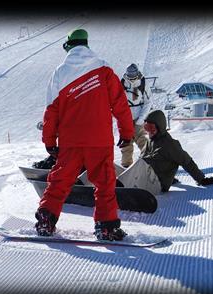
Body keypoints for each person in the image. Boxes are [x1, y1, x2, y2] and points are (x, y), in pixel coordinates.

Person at [35, 28, 135, 241]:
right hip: (99, 140)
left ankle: (46, 220)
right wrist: (127, 133)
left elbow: (51, 110)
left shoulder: (60, 73)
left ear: (69, 46)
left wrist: (49, 140)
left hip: (71, 140)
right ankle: (106, 227)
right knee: (105, 183)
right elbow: (120, 104)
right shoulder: (104, 68)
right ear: (86, 44)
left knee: (60, 181)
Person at [117, 110, 213, 193]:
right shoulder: (151, 141)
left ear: (160, 126)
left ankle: (119, 187)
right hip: (144, 179)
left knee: (141, 162)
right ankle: (111, 185)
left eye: (151, 128)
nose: (149, 131)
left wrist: (201, 179)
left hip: (156, 185)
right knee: (110, 166)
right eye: (146, 128)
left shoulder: (170, 144)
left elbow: (187, 162)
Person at [119, 63, 152, 168]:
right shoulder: (123, 83)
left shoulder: (143, 83)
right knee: (126, 144)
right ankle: (126, 167)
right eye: (130, 76)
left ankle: (150, 163)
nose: (132, 78)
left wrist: (141, 119)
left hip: (138, 117)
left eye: (133, 76)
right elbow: (117, 101)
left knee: (142, 141)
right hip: (126, 118)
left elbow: (148, 102)